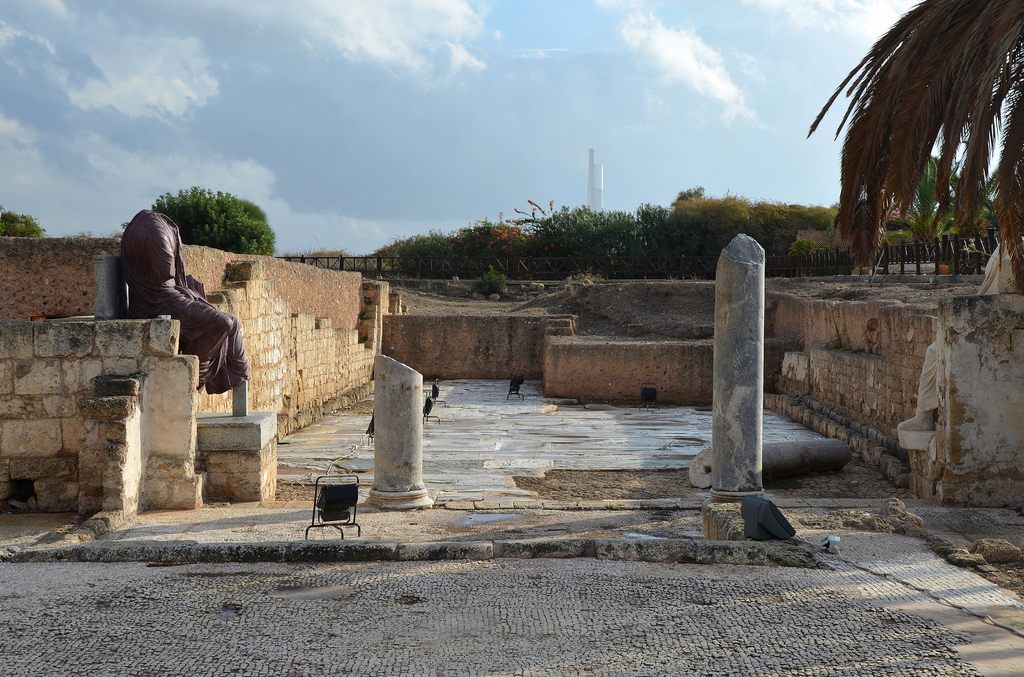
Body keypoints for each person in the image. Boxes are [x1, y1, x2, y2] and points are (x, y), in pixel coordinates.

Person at [120, 209, 250, 394]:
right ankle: (197, 375)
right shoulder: (155, 233)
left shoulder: (154, 227)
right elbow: (164, 273)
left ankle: (231, 383)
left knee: (233, 323)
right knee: (222, 323)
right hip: (157, 302)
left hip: (168, 295)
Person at [899, 243, 1013, 432]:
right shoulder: (1006, 245)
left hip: (996, 317)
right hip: (986, 311)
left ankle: (924, 415)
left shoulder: (1014, 247)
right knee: (933, 350)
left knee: (935, 350)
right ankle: (923, 414)